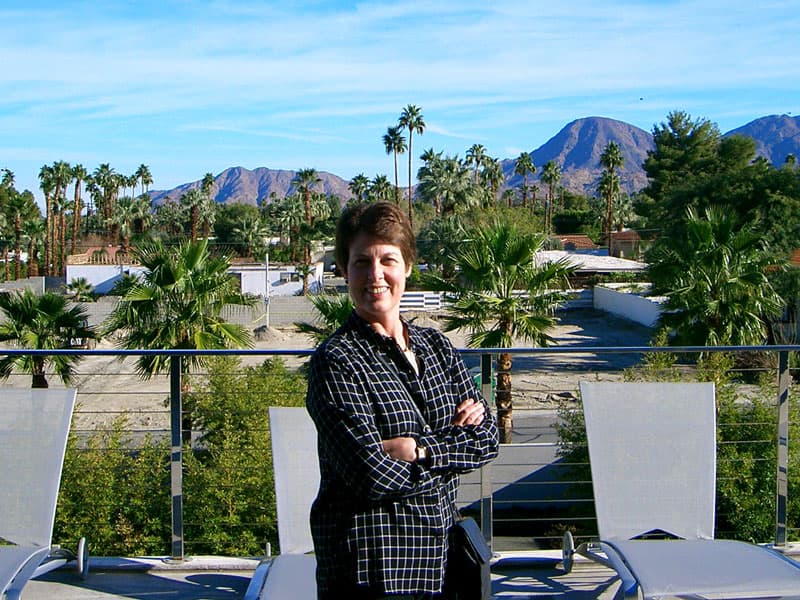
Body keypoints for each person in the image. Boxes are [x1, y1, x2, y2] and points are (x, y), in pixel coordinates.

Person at [306, 202, 499, 599]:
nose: (375, 275)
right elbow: (370, 475)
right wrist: (452, 446)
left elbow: (487, 438)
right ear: (343, 270)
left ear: (408, 266)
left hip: (445, 562)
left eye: (388, 260)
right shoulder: (337, 361)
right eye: (361, 262)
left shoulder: (437, 347)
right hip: (374, 571)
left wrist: (419, 450)